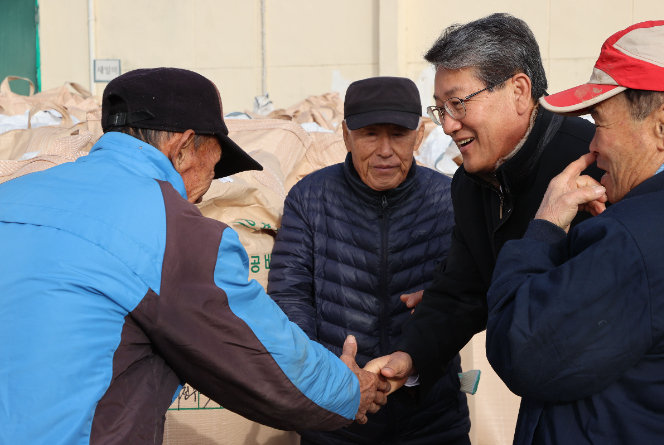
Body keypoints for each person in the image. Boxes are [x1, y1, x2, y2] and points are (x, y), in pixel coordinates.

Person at [0, 68, 389, 444]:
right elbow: (264, 359)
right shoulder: (172, 229)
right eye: (215, 164)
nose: (206, 190)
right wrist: (351, 391)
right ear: (184, 148)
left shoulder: (13, 195)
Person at [485, 19, 664, 444]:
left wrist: (546, 225)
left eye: (601, 122)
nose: (592, 145)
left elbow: (522, 349)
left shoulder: (633, 239)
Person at [366, 13, 603, 397]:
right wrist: (407, 358)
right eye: (440, 109)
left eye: (458, 103)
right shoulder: (470, 184)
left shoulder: (592, 163)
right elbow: (463, 289)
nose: (447, 125)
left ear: (519, 91)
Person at [267, 76, 471, 445]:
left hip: (432, 417)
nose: (384, 150)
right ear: (346, 135)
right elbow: (289, 297)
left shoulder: (451, 199)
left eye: (397, 134)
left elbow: (470, 295)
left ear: (420, 135)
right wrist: (333, 376)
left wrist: (412, 365)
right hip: (335, 418)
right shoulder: (310, 199)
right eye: (369, 134)